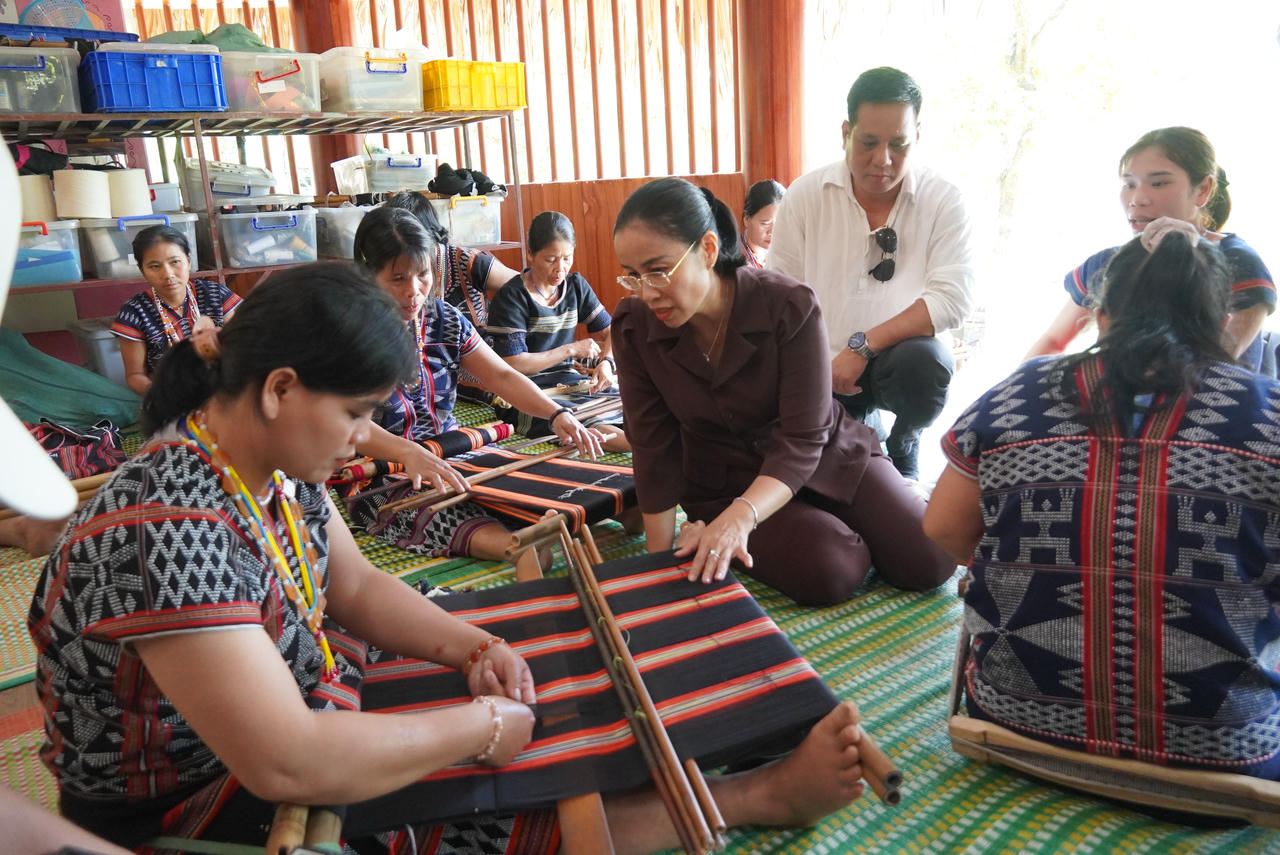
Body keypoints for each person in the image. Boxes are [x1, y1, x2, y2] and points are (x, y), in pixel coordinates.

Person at [25, 262, 872, 853]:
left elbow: (349, 581)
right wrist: (479, 726)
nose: (368, 440)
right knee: (483, 808)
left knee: (504, 659)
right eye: (356, 413)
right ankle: (754, 796)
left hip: (302, 689)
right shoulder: (166, 522)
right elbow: (284, 758)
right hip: (190, 803)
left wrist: (469, 648)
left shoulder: (256, 462)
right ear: (279, 388)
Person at [923, 220, 1280, 777]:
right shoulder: (1270, 414)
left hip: (1013, 728)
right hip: (1228, 760)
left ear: (1103, 316)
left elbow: (943, 528)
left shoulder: (1020, 392)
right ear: (1221, 321)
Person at [612, 177, 955, 606]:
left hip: (828, 455)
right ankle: (803, 527)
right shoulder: (634, 327)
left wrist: (739, 522)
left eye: (659, 270)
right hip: (726, 480)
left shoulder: (787, 306)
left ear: (708, 250)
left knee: (932, 558)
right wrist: (660, 563)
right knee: (834, 569)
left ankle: (828, 516)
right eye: (633, 276)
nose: (647, 292)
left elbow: (804, 435)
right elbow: (654, 446)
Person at [347, 207, 603, 569]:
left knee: (508, 483)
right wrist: (407, 453)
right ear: (367, 276)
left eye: (422, 275)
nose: (414, 291)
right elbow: (345, 423)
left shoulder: (443, 319)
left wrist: (556, 412)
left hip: (451, 450)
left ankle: (537, 526)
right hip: (380, 472)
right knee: (426, 506)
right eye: (397, 279)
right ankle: (515, 546)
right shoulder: (350, 334)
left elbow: (500, 375)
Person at [767, 66, 975, 480]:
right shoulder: (806, 195)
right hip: (821, 367)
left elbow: (953, 299)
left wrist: (861, 349)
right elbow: (778, 295)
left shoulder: (944, 200)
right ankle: (861, 426)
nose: (883, 160)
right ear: (845, 133)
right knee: (831, 477)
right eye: (868, 142)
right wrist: (818, 365)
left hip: (898, 363)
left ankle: (906, 438)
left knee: (928, 362)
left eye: (898, 144)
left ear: (917, 136)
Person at [1025, 126, 1275, 371]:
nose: (1137, 199)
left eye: (1158, 184)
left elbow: (1213, 366)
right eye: (1129, 184)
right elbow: (1052, 342)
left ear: (1203, 190)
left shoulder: (1239, 263)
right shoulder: (1106, 264)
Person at [487, 211, 616, 393]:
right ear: (531, 254)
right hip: (526, 390)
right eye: (550, 260)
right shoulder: (512, 297)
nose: (560, 269)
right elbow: (513, 362)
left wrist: (607, 362)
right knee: (575, 421)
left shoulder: (575, 286)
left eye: (567, 258)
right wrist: (570, 350)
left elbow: (612, 330)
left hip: (568, 383)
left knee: (625, 409)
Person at [110, 225, 241, 395]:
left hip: (224, 389)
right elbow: (135, 375)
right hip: (170, 396)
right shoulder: (134, 313)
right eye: (155, 266)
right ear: (142, 269)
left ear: (188, 261)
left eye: (175, 262)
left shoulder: (216, 295)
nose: (168, 274)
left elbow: (241, 346)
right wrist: (164, 394)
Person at [384, 189, 520, 331]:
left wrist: (510, 336)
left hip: (478, 346)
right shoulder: (386, 270)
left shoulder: (467, 261)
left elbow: (526, 288)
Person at [740, 179, 785, 268]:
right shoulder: (738, 262)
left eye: (779, 223)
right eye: (765, 223)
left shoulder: (785, 253)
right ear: (747, 220)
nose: (772, 232)